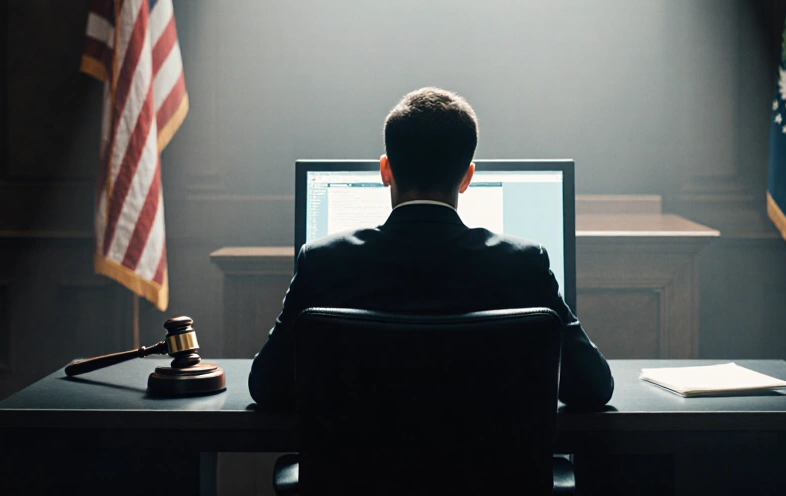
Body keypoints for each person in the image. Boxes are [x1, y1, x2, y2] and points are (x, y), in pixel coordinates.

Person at [248, 87, 614, 410]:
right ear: (467, 177)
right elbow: (593, 388)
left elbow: (267, 387)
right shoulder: (523, 264)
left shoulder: (322, 262)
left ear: (385, 170)